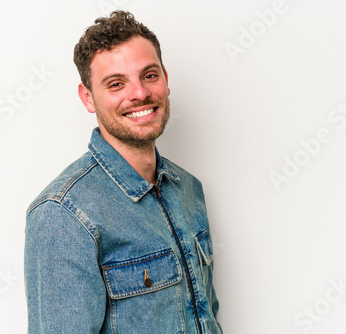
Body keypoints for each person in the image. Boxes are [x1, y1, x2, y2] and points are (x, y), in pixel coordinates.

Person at [25, 10, 223, 334]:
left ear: (166, 79)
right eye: (116, 83)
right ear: (88, 97)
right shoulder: (63, 214)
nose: (140, 94)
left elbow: (207, 315)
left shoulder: (189, 189)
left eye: (149, 75)